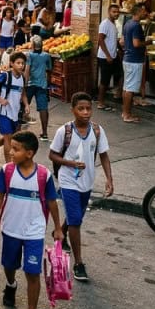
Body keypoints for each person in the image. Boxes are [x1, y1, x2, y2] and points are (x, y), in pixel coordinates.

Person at [0, 131, 63, 309]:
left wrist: (57, 227)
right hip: (11, 228)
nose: (10, 152)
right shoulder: (7, 171)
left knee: (32, 272)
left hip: (34, 231)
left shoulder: (44, 175)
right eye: (11, 148)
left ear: (29, 153)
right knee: (9, 266)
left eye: (16, 149)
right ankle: (11, 285)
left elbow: (51, 203)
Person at [48, 93, 113, 282]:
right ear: (73, 110)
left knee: (74, 216)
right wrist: (70, 163)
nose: (85, 112)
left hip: (87, 182)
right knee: (76, 220)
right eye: (81, 109)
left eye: (88, 108)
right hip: (68, 181)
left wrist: (109, 179)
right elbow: (52, 155)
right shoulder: (65, 131)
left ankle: (59, 231)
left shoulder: (97, 131)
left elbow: (104, 156)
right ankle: (78, 263)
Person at [0, 52, 29, 167]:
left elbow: (23, 93)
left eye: (23, 63)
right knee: (8, 140)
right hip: (4, 112)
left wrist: (26, 105)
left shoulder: (22, 78)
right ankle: (9, 165)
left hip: (15, 113)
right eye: (18, 63)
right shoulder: (5, 76)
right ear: (12, 63)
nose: (21, 65)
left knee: (11, 136)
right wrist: (0, 99)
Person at [121, 3, 147, 123]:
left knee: (127, 87)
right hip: (134, 60)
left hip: (127, 58)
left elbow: (122, 41)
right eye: (144, 11)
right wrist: (148, 42)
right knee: (130, 89)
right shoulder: (136, 26)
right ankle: (127, 114)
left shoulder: (127, 24)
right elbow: (136, 44)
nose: (145, 13)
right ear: (138, 12)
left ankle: (125, 112)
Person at [25, 37, 53, 141]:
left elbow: (27, 70)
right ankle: (45, 133)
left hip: (31, 84)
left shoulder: (29, 55)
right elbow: (49, 69)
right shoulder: (46, 56)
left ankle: (19, 130)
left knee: (24, 104)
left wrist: (24, 84)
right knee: (43, 108)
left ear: (32, 45)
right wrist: (48, 82)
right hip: (42, 85)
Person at [97, 4, 122, 111]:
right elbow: (100, 40)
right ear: (109, 12)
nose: (116, 14)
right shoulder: (105, 24)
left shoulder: (114, 24)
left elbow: (114, 40)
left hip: (114, 55)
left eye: (117, 12)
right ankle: (100, 102)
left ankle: (117, 94)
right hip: (105, 57)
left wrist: (120, 49)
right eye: (114, 12)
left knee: (121, 74)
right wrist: (107, 55)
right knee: (105, 80)